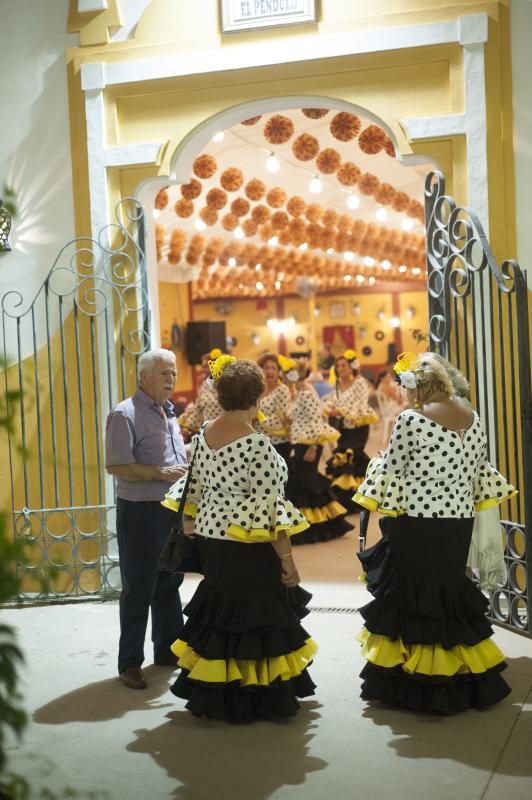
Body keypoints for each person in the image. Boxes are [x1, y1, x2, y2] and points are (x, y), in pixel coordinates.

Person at [354, 352, 516, 713]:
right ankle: (461, 674)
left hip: (419, 520)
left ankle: (418, 682)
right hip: (459, 519)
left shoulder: (411, 419)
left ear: (418, 388)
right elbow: (476, 471)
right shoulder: (473, 419)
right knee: (447, 591)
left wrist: (377, 461)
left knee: (415, 595)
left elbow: (394, 470)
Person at [162, 356, 317, 723]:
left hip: (211, 538)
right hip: (248, 541)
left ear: (220, 393)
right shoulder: (258, 446)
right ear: (258, 395)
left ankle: (219, 693)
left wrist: (189, 524)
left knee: (222, 612)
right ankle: (255, 696)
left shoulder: (202, 435)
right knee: (256, 616)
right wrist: (288, 561)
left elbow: (192, 490)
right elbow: (271, 513)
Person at [105, 349, 188, 690]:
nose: (171, 379)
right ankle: (129, 663)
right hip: (140, 513)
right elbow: (117, 466)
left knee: (170, 583)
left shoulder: (170, 414)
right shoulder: (124, 415)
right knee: (139, 587)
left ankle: (167, 650)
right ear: (144, 377)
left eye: (174, 373)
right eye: (164, 373)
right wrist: (161, 472)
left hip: (170, 510)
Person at [432, 353, 507, 592]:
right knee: (459, 550)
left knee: (460, 551)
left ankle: (461, 602)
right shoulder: (451, 404)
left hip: (455, 488)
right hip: (458, 488)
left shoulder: (454, 407)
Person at [280, 357, 352, 545]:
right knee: (302, 482)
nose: (284, 377)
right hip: (301, 440)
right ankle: (311, 526)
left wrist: (312, 446)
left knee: (306, 481)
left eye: (287, 374)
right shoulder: (300, 391)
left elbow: (316, 420)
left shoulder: (306, 393)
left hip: (309, 442)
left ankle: (317, 528)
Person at [323, 350, 379, 512]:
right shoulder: (337, 384)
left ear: (351, 367)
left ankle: (363, 498)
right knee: (342, 458)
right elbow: (332, 401)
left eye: (344, 365)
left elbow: (360, 403)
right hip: (342, 427)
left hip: (358, 426)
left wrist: (342, 411)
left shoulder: (359, 382)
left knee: (354, 456)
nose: (341, 369)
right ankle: (346, 500)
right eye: (338, 366)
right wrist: (332, 410)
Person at [178, 348, 223, 436]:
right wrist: (186, 426)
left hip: (229, 432)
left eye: (206, 366)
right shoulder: (205, 385)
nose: (203, 370)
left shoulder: (230, 384)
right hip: (210, 434)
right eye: (203, 367)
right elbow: (198, 409)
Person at [256, 353, 292, 461]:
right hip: (258, 441)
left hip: (278, 442)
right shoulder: (256, 390)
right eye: (266, 368)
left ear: (278, 372)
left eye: (274, 368)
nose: (270, 371)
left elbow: (282, 419)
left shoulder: (282, 390)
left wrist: (257, 419)